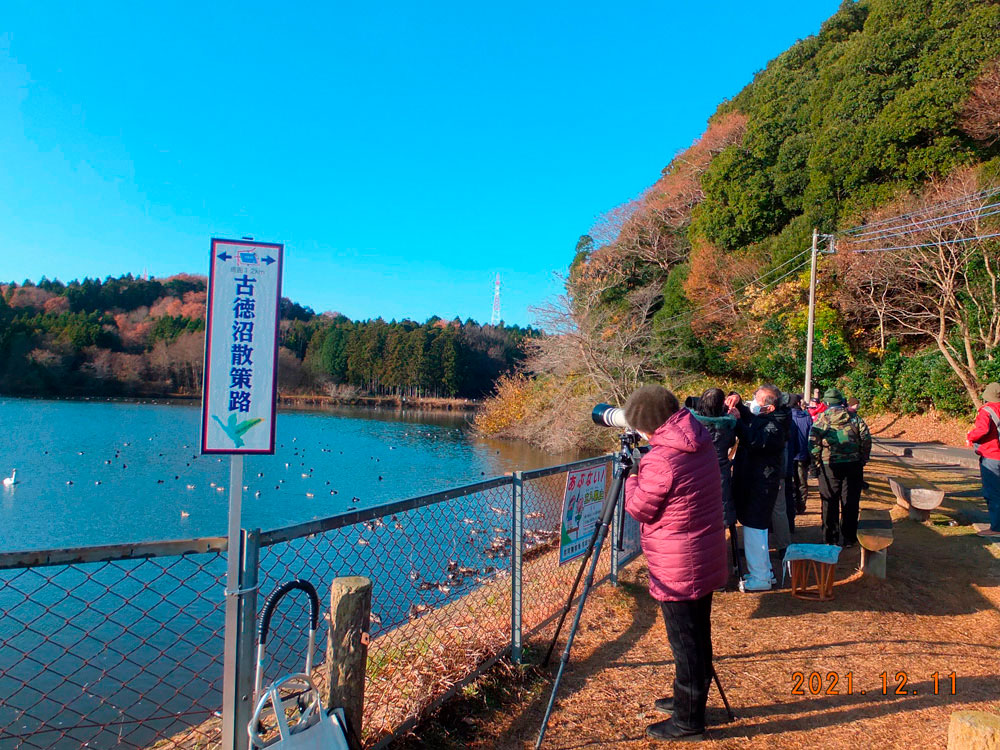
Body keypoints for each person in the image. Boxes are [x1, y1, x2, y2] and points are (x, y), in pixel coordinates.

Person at [623, 385, 727, 741]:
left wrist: (632, 476)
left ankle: (688, 722)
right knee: (697, 635)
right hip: (702, 552)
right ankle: (689, 701)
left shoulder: (662, 459)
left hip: (679, 564)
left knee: (686, 643)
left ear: (647, 423)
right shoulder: (697, 437)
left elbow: (639, 508)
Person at [730, 384, 788, 592]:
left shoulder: (774, 426)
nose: (753, 403)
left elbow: (754, 440)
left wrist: (736, 422)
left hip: (761, 484)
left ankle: (760, 577)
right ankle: (765, 571)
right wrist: (738, 404)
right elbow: (751, 421)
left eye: (758, 400)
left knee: (754, 529)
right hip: (757, 482)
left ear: (770, 407)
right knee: (756, 528)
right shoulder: (767, 419)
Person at [810, 388, 871, 547]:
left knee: (829, 501)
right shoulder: (854, 418)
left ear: (826, 402)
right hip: (853, 464)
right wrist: (863, 459)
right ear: (841, 401)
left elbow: (813, 443)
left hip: (829, 465)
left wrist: (815, 464)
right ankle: (849, 538)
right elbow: (866, 439)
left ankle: (830, 538)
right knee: (850, 501)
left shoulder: (821, 419)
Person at [967, 382, 1000, 537]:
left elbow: (982, 429)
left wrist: (970, 436)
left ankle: (996, 528)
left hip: (992, 456)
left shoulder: (986, 411)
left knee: (993, 493)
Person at [787, 394, 813, 515]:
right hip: (803, 454)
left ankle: (792, 505)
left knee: (791, 481)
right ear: (798, 403)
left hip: (790, 454)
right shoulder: (807, 417)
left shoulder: (787, 417)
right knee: (802, 481)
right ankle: (801, 505)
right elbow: (811, 437)